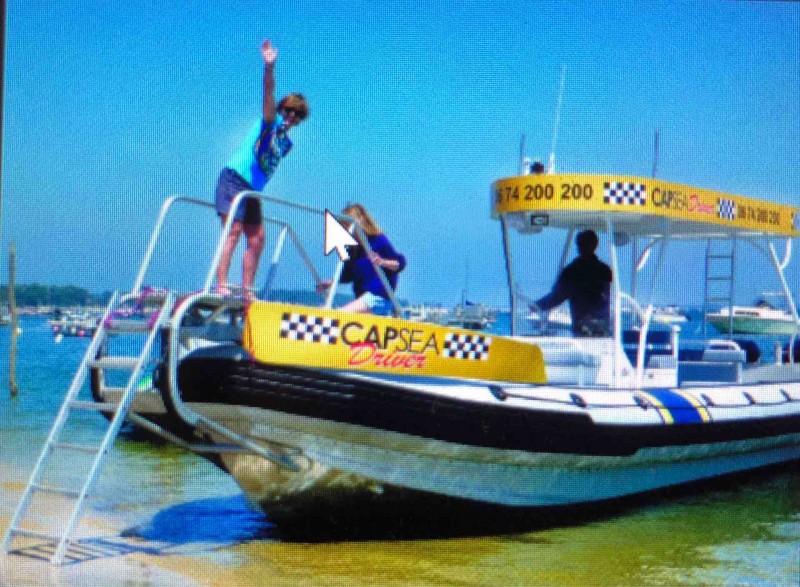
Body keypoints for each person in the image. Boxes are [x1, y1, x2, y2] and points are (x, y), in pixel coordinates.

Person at [215, 39, 309, 299]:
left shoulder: (285, 142)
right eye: (290, 111)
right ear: (282, 109)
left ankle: (247, 291)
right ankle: (221, 284)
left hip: (253, 191)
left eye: (297, 116)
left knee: (257, 239)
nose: (292, 118)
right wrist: (269, 68)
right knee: (233, 231)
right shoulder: (271, 122)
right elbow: (267, 95)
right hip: (235, 179)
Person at [317, 204, 406, 314]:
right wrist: (331, 282)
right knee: (336, 312)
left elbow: (400, 263)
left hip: (379, 297)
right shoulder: (354, 249)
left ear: (359, 223)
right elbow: (348, 274)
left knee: (341, 313)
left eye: (348, 226)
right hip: (363, 298)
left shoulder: (378, 240)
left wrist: (383, 262)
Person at [530, 229, 612, 336]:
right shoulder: (605, 270)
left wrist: (536, 305)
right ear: (595, 245)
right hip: (603, 326)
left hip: (583, 327)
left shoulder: (572, 271)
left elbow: (557, 297)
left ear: (578, 246)